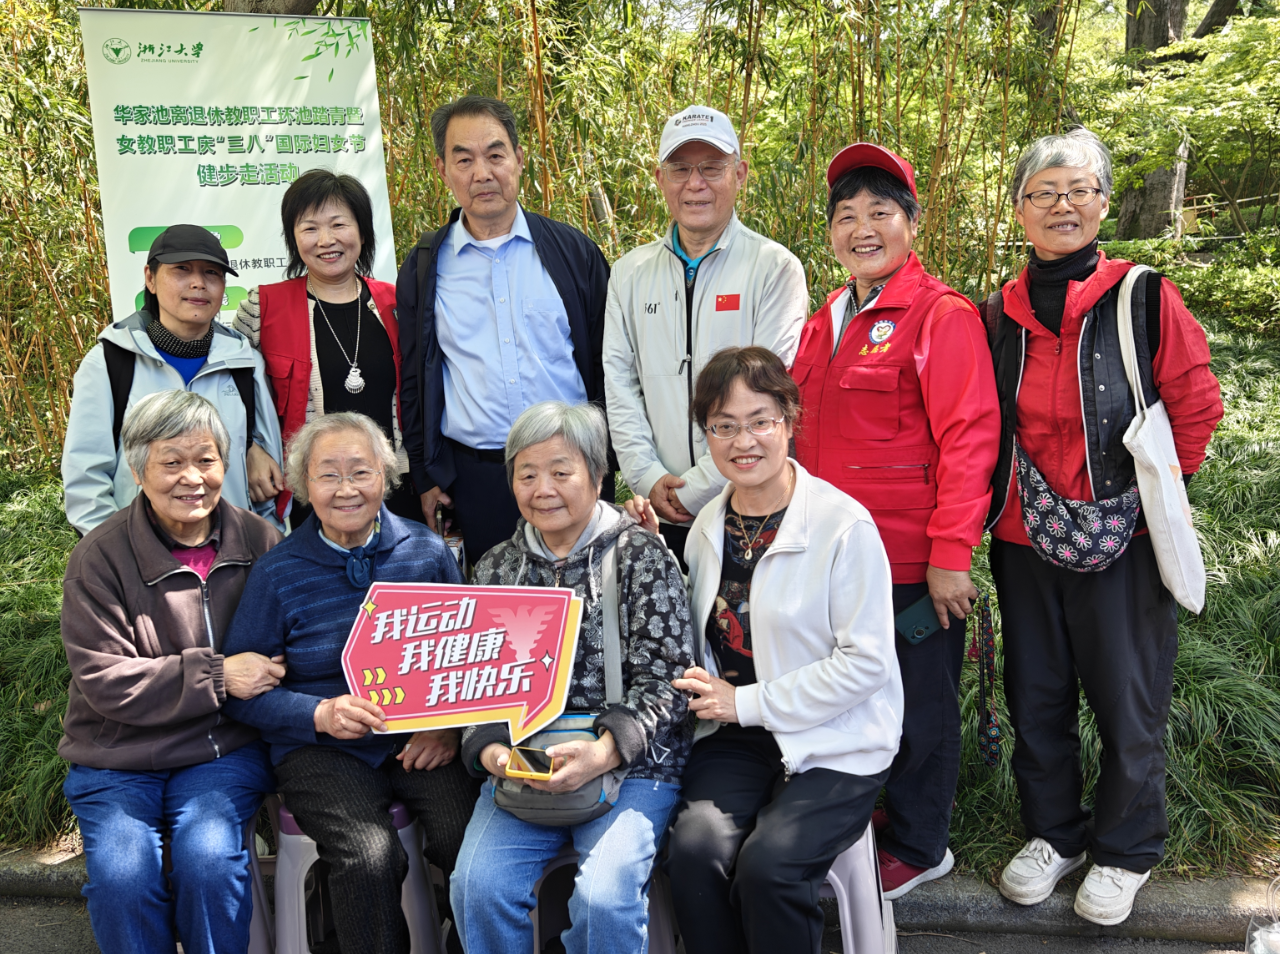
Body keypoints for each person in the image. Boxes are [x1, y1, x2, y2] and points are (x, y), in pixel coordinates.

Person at [983, 128, 1222, 925]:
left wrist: (1154, 497)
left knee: (1127, 698)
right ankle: (1054, 834)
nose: (1063, 205)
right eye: (1044, 192)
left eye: (1079, 190)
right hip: (1025, 538)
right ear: (1019, 209)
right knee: (1036, 694)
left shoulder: (1143, 297)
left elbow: (1196, 404)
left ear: (1103, 203)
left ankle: (1125, 849)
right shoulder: (998, 313)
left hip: (1128, 540)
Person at [632, 347, 902, 954]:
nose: (743, 441)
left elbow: (866, 664)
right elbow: (703, 628)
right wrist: (653, 553)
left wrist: (745, 702)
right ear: (706, 435)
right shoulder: (707, 526)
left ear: (789, 419)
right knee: (693, 851)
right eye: (723, 426)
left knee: (770, 867)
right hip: (738, 737)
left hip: (836, 740)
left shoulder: (842, 526)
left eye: (760, 421)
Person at [787, 144, 1001, 898]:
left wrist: (951, 554)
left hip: (909, 558)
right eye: (847, 215)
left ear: (912, 222)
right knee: (860, 692)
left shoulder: (940, 315)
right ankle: (882, 808)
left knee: (920, 701)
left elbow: (970, 437)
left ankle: (921, 842)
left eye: (880, 211)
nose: (862, 228)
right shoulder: (826, 317)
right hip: (833, 556)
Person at [220, 412, 478, 954]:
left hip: (420, 740)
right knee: (369, 856)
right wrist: (318, 714)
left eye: (360, 472)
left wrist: (450, 730)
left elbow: (469, 660)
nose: (346, 489)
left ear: (385, 476)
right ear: (303, 485)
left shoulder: (427, 552)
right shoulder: (277, 572)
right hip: (320, 749)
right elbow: (243, 696)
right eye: (328, 475)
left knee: (471, 843)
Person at [450, 401, 694, 954]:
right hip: (524, 765)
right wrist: (492, 753)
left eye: (561, 472)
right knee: (477, 887)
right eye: (527, 474)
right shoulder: (495, 568)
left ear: (597, 475)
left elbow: (670, 679)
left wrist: (606, 751)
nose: (544, 489)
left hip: (633, 766)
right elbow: (472, 684)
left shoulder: (641, 556)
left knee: (604, 898)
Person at [58, 389, 285, 954]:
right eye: (171, 462)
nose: (192, 478)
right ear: (138, 471)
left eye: (206, 460)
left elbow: (291, 650)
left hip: (221, 749)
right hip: (118, 756)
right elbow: (106, 679)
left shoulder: (261, 542)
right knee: (122, 880)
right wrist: (217, 676)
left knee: (208, 864)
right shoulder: (99, 557)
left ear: (225, 465)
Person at [397, 96, 611, 561]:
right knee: (499, 598)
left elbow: (607, 364)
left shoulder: (573, 252)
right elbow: (414, 379)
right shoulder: (424, 267)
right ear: (442, 169)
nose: (482, 173)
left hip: (572, 465)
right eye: (464, 160)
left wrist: (607, 462)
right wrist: (426, 475)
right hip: (480, 479)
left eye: (495, 155)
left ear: (519, 158)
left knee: (588, 591)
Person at [603, 105, 809, 564]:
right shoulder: (629, 273)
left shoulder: (774, 268)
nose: (695, 183)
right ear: (660, 178)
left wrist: (695, 489)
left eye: (712, 168)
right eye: (680, 169)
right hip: (658, 512)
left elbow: (766, 397)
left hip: (750, 504)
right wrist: (647, 478)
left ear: (740, 173)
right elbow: (620, 386)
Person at [63, 224, 284, 535]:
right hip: (140, 551)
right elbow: (86, 478)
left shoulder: (244, 363)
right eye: (182, 269)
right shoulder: (110, 363)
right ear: (150, 278)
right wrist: (118, 552)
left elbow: (267, 480)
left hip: (232, 550)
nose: (198, 283)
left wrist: (266, 546)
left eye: (211, 273)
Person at [234, 169, 420, 527]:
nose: (325, 240)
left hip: (396, 486)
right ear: (293, 238)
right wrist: (249, 448)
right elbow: (229, 384)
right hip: (312, 493)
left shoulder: (397, 304)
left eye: (338, 225)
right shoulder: (263, 307)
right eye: (310, 228)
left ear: (362, 232)